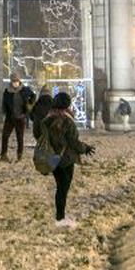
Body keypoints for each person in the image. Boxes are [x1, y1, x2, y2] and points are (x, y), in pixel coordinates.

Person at [39, 92, 95, 227]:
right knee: (63, 188)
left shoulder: (47, 119)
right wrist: (85, 148)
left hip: (52, 158)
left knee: (60, 187)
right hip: (66, 159)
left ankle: (60, 216)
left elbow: (39, 135)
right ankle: (60, 218)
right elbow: (72, 141)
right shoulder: (66, 121)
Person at [0, 74, 36, 162]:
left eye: (16, 81)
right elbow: (4, 102)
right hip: (10, 117)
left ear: (19, 81)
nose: (15, 83)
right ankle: (3, 155)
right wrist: (5, 110)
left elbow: (33, 96)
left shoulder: (25, 90)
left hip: (20, 117)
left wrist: (29, 106)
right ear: (11, 82)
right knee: (5, 136)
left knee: (20, 137)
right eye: (13, 81)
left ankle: (19, 155)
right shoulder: (7, 91)